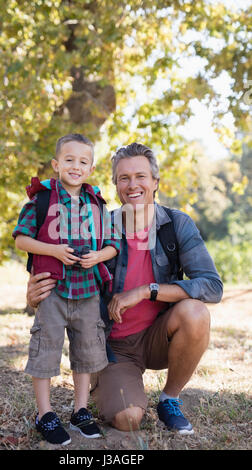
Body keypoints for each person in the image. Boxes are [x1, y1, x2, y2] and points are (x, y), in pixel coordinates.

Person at [26, 142, 223, 436]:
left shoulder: (176, 224)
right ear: (115, 184)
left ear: (155, 182)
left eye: (141, 176)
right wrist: (33, 296)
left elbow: (212, 286)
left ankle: (170, 398)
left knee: (195, 312)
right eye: (124, 178)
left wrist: (147, 290)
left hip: (159, 334)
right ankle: (112, 385)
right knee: (128, 418)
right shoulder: (98, 223)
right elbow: (63, 265)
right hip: (113, 347)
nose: (133, 185)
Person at [13, 133, 120, 445]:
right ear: (56, 164)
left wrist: (100, 255)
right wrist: (53, 251)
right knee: (45, 347)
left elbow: (113, 245)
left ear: (90, 168)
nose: (76, 166)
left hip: (88, 291)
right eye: (69, 160)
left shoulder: (98, 204)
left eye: (83, 161)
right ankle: (45, 413)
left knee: (86, 349)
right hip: (53, 290)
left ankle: (80, 410)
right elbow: (21, 239)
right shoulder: (42, 200)